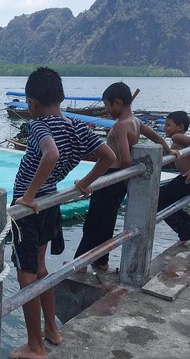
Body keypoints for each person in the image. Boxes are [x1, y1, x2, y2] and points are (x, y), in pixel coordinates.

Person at [9, 67, 115, 359]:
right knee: (40, 269)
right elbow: (110, 157)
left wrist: (27, 196)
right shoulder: (75, 126)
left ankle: (34, 346)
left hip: (29, 211)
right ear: (62, 96)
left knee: (26, 275)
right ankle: (52, 331)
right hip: (50, 204)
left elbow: (51, 154)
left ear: (30, 102)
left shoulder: (40, 126)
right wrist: (84, 182)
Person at [74, 82, 177, 271]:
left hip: (112, 176)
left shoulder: (121, 125)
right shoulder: (136, 121)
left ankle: (79, 263)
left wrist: (124, 177)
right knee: (107, 220)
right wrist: (170, 150)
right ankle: (101, 260)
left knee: (94, 222)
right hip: (119, 181)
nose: (106, 110)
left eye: (107, 105)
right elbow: (156, 137)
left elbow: (125, 159)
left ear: (118, 102)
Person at [157, 111, 190, 244]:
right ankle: (189, 223)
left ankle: (185, 229)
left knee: (154, 198)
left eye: (168, 125)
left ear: (179, 127)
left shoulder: (177, 138)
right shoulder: (183, 143)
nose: (165, 128)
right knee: (163, 197)